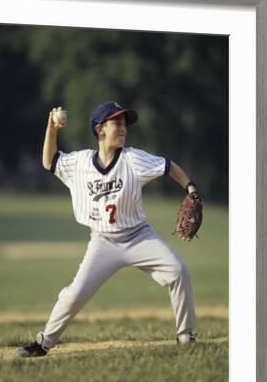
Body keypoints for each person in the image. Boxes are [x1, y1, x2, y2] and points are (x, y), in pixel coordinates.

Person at [18, 101, 199, 358]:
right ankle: (43, 342)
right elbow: (50, 161)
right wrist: (52, 128)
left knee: (178, 271)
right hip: (103, 241)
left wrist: (190, 188)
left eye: (125, 123)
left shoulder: (133, 158)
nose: (123, 127)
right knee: (75, 294)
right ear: (100, 129)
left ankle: (185, 335)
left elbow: (169, 166)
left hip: (139, 236)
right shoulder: (80, 163)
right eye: (117, 123)